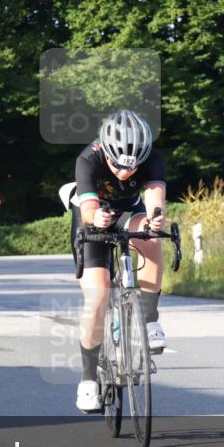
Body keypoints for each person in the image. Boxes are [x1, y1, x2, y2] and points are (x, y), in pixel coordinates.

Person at [70, 109, 168, 413]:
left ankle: (149, 319)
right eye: (117, 165)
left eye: (132, 167)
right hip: (93, 217)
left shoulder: (152, 157)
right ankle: (88, 380)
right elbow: (87, 207)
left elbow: (154, 197)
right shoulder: (89, 159)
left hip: (128, 212)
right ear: (106, 153)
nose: (125, 173)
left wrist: (155, 218)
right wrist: (94, 216)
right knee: (98, 295)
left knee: (150, 235)